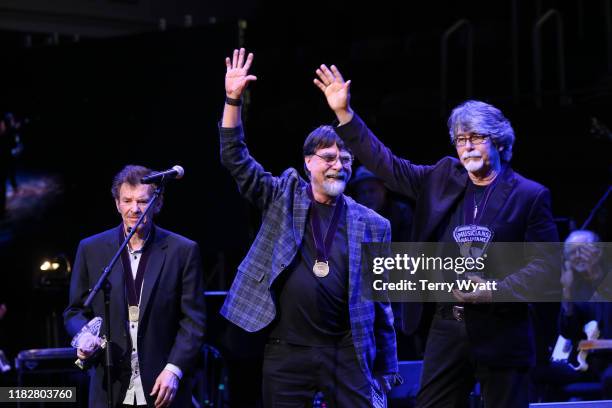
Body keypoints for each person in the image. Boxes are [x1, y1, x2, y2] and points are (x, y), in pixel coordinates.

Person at [313, 65, 559, 407]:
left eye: (476, 138)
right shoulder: (443, 177)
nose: (467, 147)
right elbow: (387, 164)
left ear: (500, 142)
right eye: (461, 139)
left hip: (503, 329)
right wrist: (345, 114)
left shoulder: (530, 196)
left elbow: (546, 270)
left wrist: (492, 292)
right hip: (448, 327)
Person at [219, 48, 398, 407]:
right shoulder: (282, 195)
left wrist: (387, 364)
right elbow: (235, 159)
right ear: (307, 162)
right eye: (329, 158)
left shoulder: (373, 224)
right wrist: (232, 100)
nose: (339, 166)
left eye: (345, 158)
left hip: (346, 351)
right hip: (287, 351)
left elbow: (383, 301)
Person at [64, 165, 206, 408]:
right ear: (117, 204)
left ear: (157, 204)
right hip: (109, 387)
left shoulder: (182, 251)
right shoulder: (91, 249)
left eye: (142, 201)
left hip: (162, 388)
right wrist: (84, 338)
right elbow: (75, 311)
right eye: (127, 200)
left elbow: (194, 321)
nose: (134, 209)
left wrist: (174, 369)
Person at [557, 230, 611, 399]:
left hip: (607, 359)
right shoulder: (576, 286)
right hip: (589, 361)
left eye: (581, 250)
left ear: (599, 251)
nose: (577, 256)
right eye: (571, 253)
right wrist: (566, 293)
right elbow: (568, 333)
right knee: (537, 372)